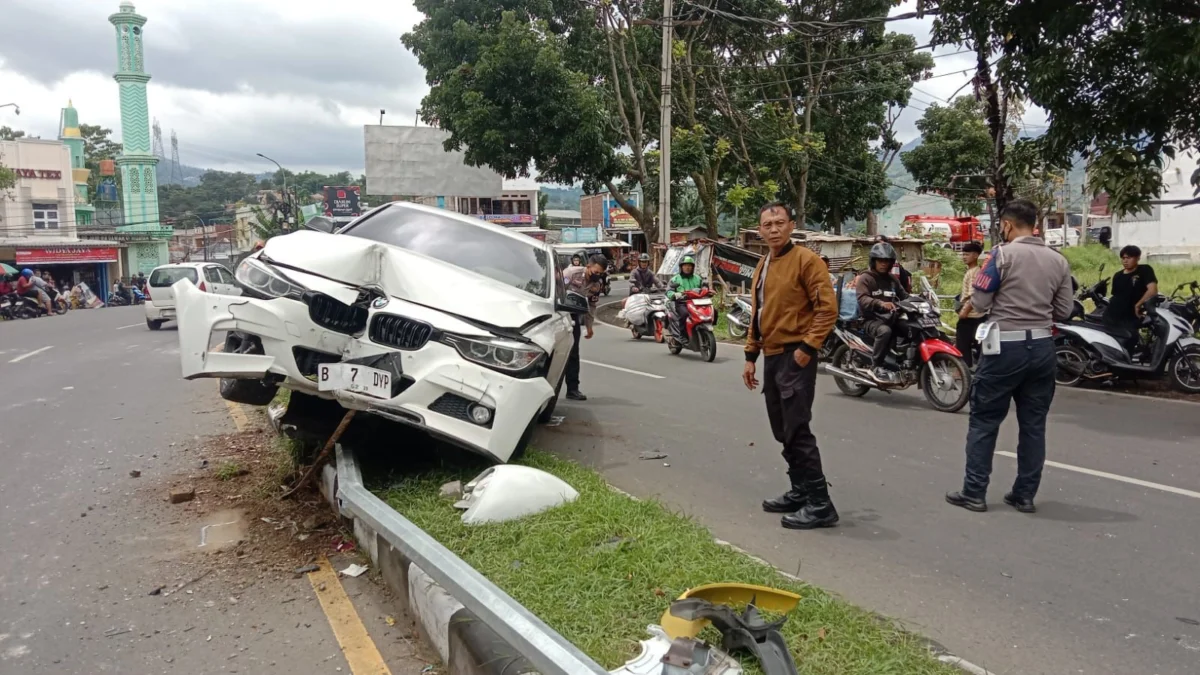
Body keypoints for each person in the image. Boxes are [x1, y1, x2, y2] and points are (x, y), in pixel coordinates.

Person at [946, 199, 1073, 514]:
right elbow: (1065, 310)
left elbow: (980, 299)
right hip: (1043, 349)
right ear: (1035, 224)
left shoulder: (1000, 256)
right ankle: (1024, 495)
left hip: (1005, 347)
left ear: (1006, 225)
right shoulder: (1059, 261)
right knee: (1033, 424)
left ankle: (974, 492)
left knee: (985, 420)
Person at [743, 201, 839, 530]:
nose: (773, 229)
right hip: (770, 355)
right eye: (767, 224)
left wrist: (807, 348)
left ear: (791, 225)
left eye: (779, 223)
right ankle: (800, 491)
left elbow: (827, 309)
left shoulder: (807, 261)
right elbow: (759, 313)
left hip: (794, 355)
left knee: (797, 430)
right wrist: (750, 356)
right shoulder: (763, 263)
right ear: (760, 230)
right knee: (781, 429)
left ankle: (820, 504)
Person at [855, 242, 908, 382]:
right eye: (880, 260)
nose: (884, 264)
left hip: (891, 317)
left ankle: (905, 361)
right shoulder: (866, 278)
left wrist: (920, 300)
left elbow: (904, 296)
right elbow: (862, 299)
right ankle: (875, 366)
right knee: (885, 331)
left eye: (887, 261)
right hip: (870, 319)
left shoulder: (892, 280)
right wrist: (880, 303)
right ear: (874, 261)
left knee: (910, 328)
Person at [562, 254, 605, 401]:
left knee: (573, 353)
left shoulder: (596, 285)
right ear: (588, 266)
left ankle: (573, 389)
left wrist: (589, 326)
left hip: (573, 317)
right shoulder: (571, 273)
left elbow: (591, 306)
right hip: (557, 315)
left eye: (600, 273)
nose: (597, 275)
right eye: (595, 271)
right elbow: (554, 289)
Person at [1101, 245, 1157, 356]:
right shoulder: (1117, 276)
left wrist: (1138, 305)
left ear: (1138, 258)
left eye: (1129, 257)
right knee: (1116, 343)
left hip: (1131, 316)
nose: (1125, 260)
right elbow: (1116, 296)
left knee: (1131, 339)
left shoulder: (1144, 270)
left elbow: (1152, 290)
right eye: (1123, 258)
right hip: (1113, 316)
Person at [956, 242, 986, 367]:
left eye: (967, 254)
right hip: (978, 316)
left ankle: (963, 370)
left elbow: (973, 295)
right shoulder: (972, 271)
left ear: (975, 255)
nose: (964, 257)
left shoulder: (974, 272)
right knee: (978, 345)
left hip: (972, 316)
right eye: (963, 254)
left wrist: (964, 311)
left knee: (962, 344)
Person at [666, 255, 705, 339]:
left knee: (713, 312)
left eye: (690, 266)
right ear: (681, 267)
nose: (688, 268)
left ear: (693, 267)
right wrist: (674, 294)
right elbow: (668, 291)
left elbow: (704, 287)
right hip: (682, 303)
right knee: (685, 314)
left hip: (696, 303)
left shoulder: (698, 278)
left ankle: (705, 330)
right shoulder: (675, 279)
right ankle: (683, 335)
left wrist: (708, 291)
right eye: (685, 265)